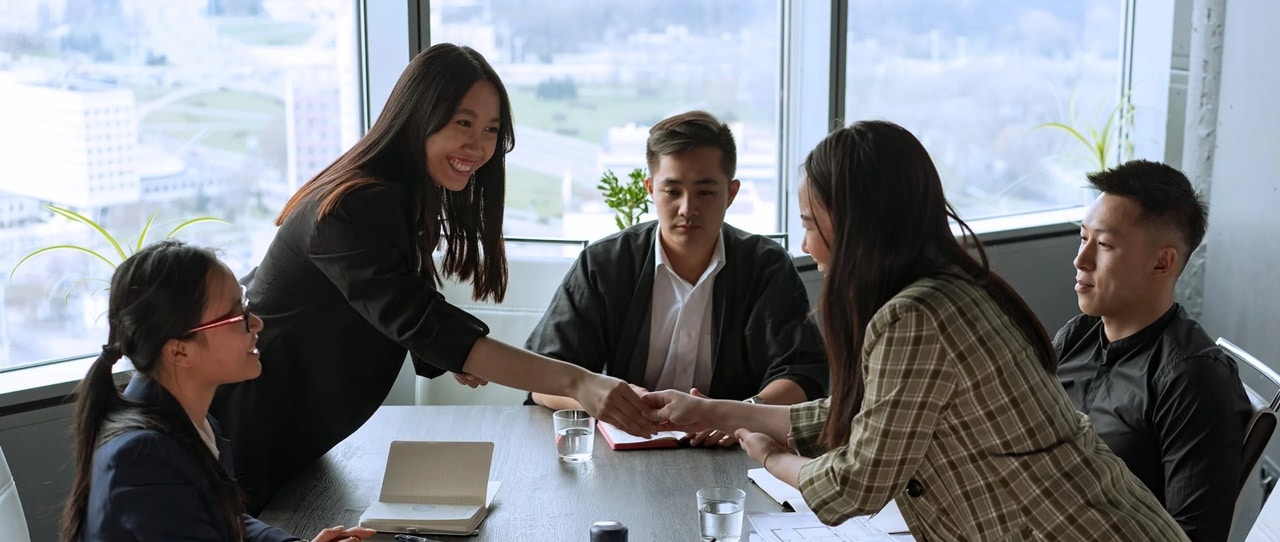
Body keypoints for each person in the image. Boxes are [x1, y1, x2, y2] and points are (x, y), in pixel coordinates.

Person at [644, 120, 1189, 539]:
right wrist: (722, 412)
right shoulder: (947, 289)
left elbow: (854, 484)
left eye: (811, 224)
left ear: (857, 223)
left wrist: (767, 456)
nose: (807, 246)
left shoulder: (915, 316)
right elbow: (866, 415)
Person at [211, 43, 657, 513]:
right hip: (243, 443)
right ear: (418, 114)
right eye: (463, 123)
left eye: (490, 130)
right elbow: (423, 321)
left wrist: (452, 353)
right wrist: (580, 382)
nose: (478, 146)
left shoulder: (399, 200)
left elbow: (402, 307)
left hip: (291, 442)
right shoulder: (357, 205)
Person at [525, 110, 827, 447]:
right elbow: (542, 377)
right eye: (672, 191)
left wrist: (740, 413)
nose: (687, 208)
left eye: (705, 192)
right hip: (624, 454)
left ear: (731, 192)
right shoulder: (605, 263)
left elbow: (803, 375)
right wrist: (606, 401)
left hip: (736, 452)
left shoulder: (766, 266)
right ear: (651, 189)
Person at [60, 240, 375, 542]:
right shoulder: (141, 458)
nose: (256, 325)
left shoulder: (193, 422)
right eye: (237, 315)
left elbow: (227, 522)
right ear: (179, 351)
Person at [1056, 160, 1252, 541]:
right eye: (1083, 238)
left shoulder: (1193, 379)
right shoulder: (1076, 336)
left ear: (1162, 262)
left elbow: (1192, 536)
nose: (1080, 261)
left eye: (1104, 244)